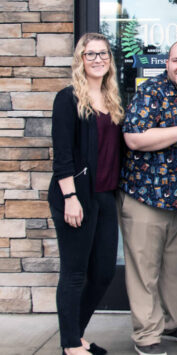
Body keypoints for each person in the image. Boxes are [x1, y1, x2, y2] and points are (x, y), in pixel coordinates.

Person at [118, 39, 177, 355]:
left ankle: (173, 324)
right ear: (167, 64)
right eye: (176, 60)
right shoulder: (151, 93)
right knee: (144, 271)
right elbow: (134, 138)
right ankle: (146, 336)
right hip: (146, 197)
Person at [48, 32, 124, 355]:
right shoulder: (68, 98)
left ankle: (75, 335)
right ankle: (70, 344)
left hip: (105, 196)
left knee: (103, 273)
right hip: (76, 196)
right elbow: (62, 153)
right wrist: (70, 197)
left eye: (103, 53)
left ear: (110, 60)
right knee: (75, 272)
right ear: (80, 59)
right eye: (90, 54)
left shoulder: (113, 100)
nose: (97, 59)